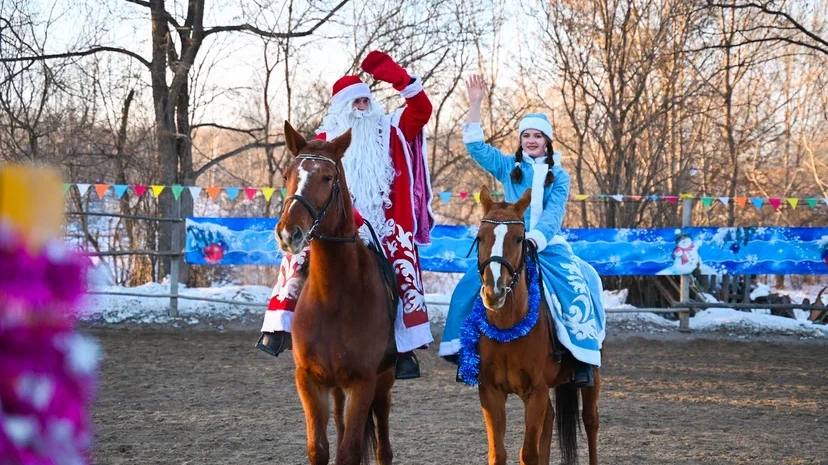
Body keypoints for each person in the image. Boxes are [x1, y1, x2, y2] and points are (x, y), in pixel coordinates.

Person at [256, 51, 435, 380]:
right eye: (355, 103)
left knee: (403, 261)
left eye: (366, 101)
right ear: (340, 108)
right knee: (296, 254)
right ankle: (278, 326)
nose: (362, 107)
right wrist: (349, 220)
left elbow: (422, 110)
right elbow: (308, 185)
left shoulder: (392, 129)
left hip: (384, 223)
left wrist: (397, 77)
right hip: (334, 222)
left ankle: (405, 347)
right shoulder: (323, 143)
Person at [438, 75, 605, 386]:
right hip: (506, 243)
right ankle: (464, 353)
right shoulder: (507, 167)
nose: (531, 140)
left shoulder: (560, 175)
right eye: (526, 135)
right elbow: (475, 146)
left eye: (537, 136)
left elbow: (553, 214)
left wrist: (535, 240)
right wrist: (475, 103)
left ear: (547, 141)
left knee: (574, 288)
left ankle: (581, 360)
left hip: (546, 243)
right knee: (467, 288)